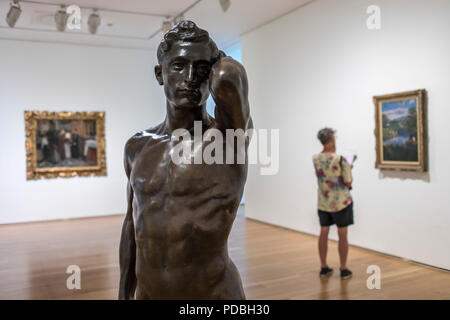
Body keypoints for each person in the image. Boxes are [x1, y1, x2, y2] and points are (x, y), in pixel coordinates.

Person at [119, 21, 252, 300]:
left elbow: (230, 75)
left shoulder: (227, 139)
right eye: (178, 66)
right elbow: (132, 226)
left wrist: (219, 60)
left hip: (212, 295)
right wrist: (123, 293)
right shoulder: (136, 145)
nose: (191, 77)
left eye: (202, 69)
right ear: (160, 74)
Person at [313, 128, 354, 280]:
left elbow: (325, 175)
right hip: (341, 203)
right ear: (330, 139)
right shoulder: (340, 159)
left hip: (323, 202)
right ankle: (343, 269)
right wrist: (349, 169)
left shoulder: (316, 158)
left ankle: (324, 267)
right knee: (342, 234)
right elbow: (348, 181)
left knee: (323, 232)